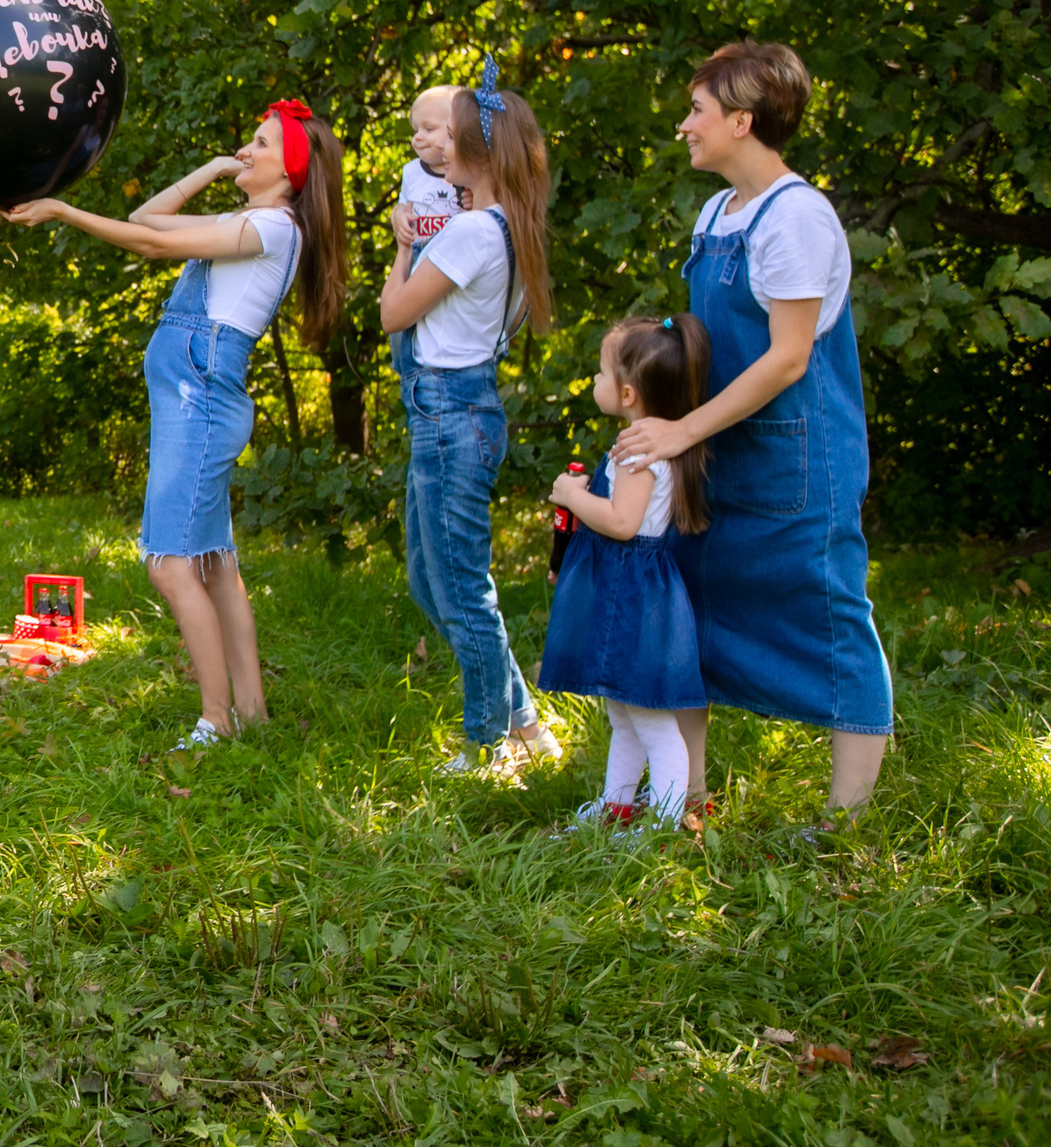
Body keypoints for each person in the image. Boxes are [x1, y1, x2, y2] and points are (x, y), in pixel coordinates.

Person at [6, 100, 348, 747]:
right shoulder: (250, 220)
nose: (247, 150)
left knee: (169, 564)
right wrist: (214, 168)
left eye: (261, 143)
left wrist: (64, 210)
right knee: (215, 564)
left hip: (201, 396)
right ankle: (250, 713)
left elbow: (151, 242)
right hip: (195, 392)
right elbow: (148, 217)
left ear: (291, 171)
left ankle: (216, 720)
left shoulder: (273, 226)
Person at [613, 41, 894, 819]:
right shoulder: (717, 213)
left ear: (742, 120)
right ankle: (688, 799)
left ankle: (844, 822)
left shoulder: (796, 218)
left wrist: (680, 432)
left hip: (797, 459)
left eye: (697, 110)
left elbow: (788, 358)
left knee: (830, 617)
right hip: (720, 453)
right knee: (692, 615)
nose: (685, 125)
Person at [380, 59, 565, 776]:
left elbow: (394, 313)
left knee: (461, 590)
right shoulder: (505, 226)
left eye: (449, 137)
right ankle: (525, 722)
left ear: (477, 153)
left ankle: (488, 745)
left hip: (450, 414)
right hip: (457, 410)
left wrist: (403, 246)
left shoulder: (469, 234)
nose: (437, 146)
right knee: (433, 583)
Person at [540, 316, 713, 828]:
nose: (595, 380)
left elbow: (622, 523)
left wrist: (572, 495)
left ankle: (664, 823)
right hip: (627, 586)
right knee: (623, 711)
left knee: (650, 718)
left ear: (629, 393)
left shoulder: (635, 453)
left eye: (600, 373)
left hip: (632, 593)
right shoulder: (643, 444)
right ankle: (616, 805)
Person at [391, 83, 467, 246]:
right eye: (415, 130)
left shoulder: (467, 171)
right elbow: (403, 205)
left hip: (457, 252)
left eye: (429, 129)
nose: (417, 137)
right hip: (419, 252)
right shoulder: (412, 171)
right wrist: (398, 216)